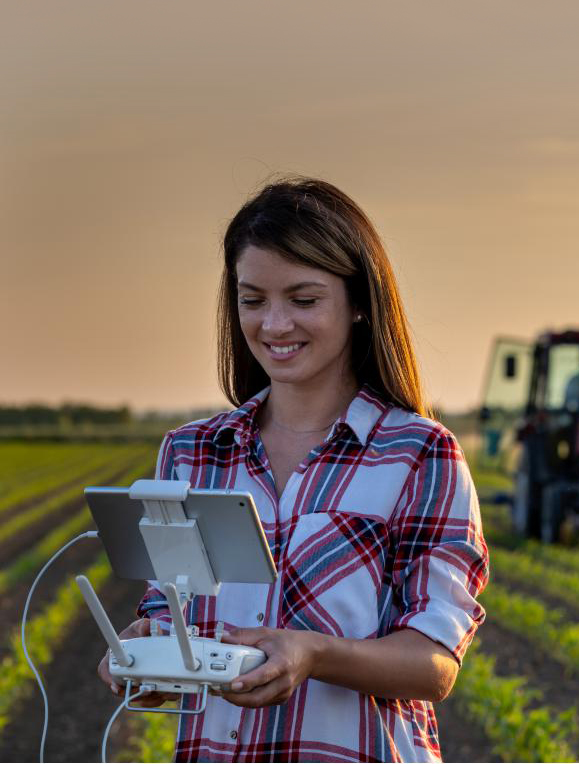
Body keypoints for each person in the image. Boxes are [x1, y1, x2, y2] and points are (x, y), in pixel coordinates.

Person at [97, 177, 489, 762]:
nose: (275, 325)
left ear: (359, 303)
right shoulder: (191, 452)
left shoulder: (419, 454)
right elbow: (169, 615)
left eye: (303, 300)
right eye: (253, 299)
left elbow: (433, 663)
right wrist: (143, 657)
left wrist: (314, 654)